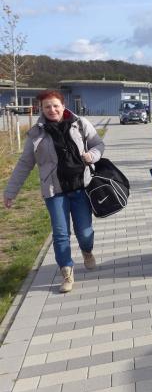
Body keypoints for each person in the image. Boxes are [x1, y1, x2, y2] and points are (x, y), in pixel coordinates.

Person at [3, 90, 104, 292]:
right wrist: (10, 192)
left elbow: (98, 144)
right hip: (54, 190)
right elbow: (25, 163)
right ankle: (66, 271)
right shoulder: (36, 134)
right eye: (47, 106)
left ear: (63, 106)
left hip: (80, 187)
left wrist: (92, 155)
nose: (52, 110)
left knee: (85, 232)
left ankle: (87, 251)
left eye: (55, 105)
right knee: (60, 233)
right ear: (41, 109)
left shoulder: (80, 124)